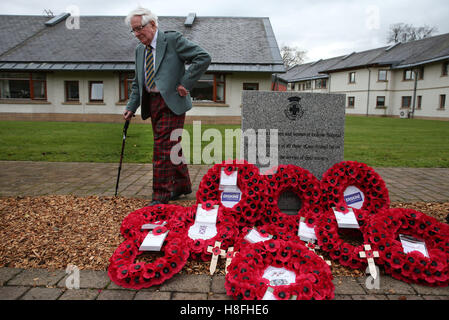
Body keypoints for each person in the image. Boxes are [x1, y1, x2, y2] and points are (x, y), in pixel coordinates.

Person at [123, 7, 211, 206]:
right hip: (152, 103)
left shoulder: (172, 40)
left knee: (163, 147)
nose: (137, 34)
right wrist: (131, 106)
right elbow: (139, 82)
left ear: (152, 24)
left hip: (172, 102)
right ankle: (182, 185)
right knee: (172, 145)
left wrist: (185, 83)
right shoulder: (139, 51)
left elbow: (203, 57)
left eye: (139, 29)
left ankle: (161, 195)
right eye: (133, 30)